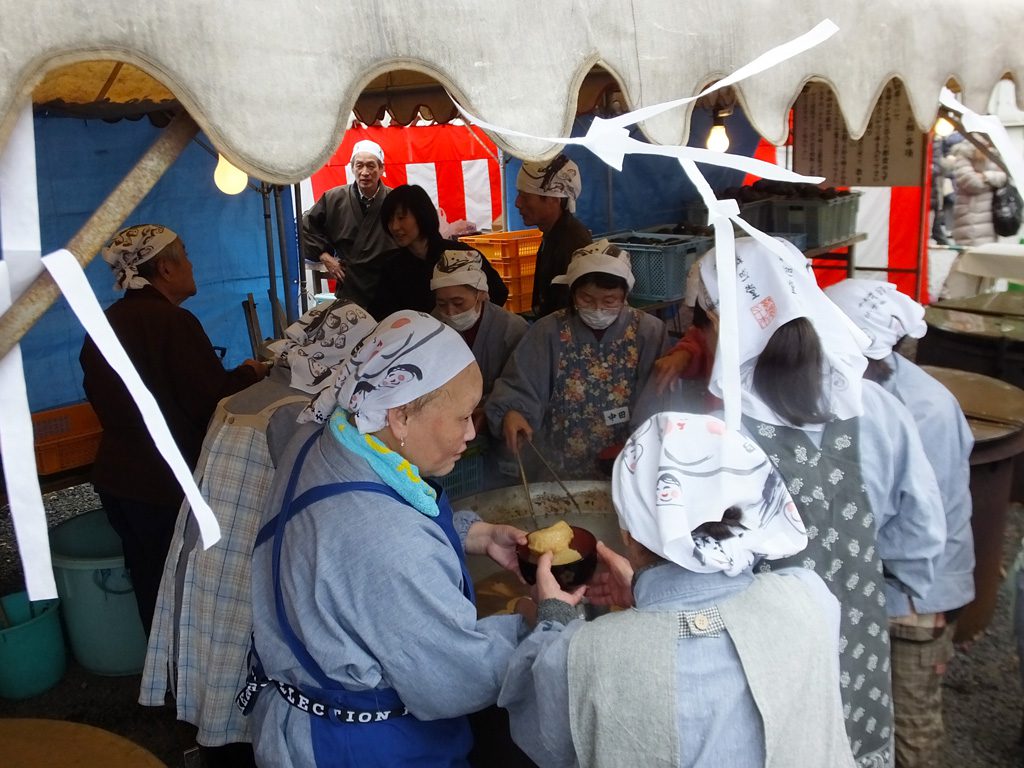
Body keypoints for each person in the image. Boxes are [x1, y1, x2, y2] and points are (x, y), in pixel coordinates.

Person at [694, 237, 946, 767]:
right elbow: (921, 521)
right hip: (856, 624)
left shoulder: (725, 431)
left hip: (760, 647)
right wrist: (899, 595)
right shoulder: (876, 405)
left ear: (726, 319)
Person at [245, 310, 530, 767]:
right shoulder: (391, 544)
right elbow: (458, 680)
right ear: (400, 416)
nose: (472, 432)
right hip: (363, 747)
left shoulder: (325, 436)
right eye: (461, 417)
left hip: (303, 712)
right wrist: (537, 621)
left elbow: (356, 526)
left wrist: (472, 534)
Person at [500, 411, 856, 768]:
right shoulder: (810, 596)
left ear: (628, 533)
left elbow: (541, 738)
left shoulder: (580, 656)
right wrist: (643, 591)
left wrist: (553, 618)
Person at [141, 300, 376, 766]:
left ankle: (212, 744)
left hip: (204, 557)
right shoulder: (299, 415)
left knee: (212, 662)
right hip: (248, 567)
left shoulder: (240, 398)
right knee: (246, 678)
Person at [80, 224, 269, 635]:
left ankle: (161, 687)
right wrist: (250, 373)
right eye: (185, 254)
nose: (192, 263)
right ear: (166, 269)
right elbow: (213, 402)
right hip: (164, 485)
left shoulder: (106, 321)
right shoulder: (172, 322)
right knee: (183, 591)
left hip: (119, 480)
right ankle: (185, 687)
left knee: (151, 586)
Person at [826, 278, 975, 768]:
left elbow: (904, 517)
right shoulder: (861, 388)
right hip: (876, 582)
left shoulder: (921, 407)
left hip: (913, 595)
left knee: (909, 725)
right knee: (860, 716)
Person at [487, 240, 668, 477]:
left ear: (625, 296)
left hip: (630, 461)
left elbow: (659, 399)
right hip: (559, 464)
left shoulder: (649, 331)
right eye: (586, 299)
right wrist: (513, 412)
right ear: (572, 294)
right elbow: (521, 382)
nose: (597, 309)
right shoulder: (548, 331)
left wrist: (641, 443)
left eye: (609, 300)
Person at [369, 184, 508, 318]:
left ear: (421, 215)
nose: (394, 227)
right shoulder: (391, 267)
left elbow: (498, 292)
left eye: (401, 218)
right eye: (389, 220)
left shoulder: (460, 254)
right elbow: (381, 313)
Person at [431, 249, 527, 429]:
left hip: (499, 423)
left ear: (481, 294)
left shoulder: (512, 329)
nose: (450, 312)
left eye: (459, 303)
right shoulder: (433, 327)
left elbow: (520, 383)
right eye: (442, 304)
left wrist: (491, 408)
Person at [302, 139, 396, 307]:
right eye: (359, 165)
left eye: (371, 166)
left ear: (381, 168)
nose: (365, 172)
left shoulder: (396, 200)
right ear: (352, 168)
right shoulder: (333, 199)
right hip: (350, 285)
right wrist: (325, 257)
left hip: (389, 285)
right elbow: (305, 228)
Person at [515, 154, 592, 316]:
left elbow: (565, 310)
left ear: (554, 199)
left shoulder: (571, 243)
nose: (517, 203)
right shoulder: (554, 234)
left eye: (525, 196)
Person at [949, 140, 1007, 247]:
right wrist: (994, 180)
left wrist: (985, 176)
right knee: (970, 254)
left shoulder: (996, 150)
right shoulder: (965, 151)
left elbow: (1006, 177)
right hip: (971, 212)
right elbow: (972, 183)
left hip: (991, 213)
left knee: (988, 254)